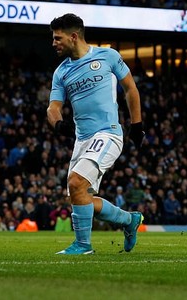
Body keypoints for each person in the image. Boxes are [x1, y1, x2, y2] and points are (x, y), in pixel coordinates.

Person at [47, 13, 145, 255]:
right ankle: (129, 220)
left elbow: (130, 88)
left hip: (108, 134)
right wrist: (59, 124)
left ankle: (83, 245)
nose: (54, 43)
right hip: (83, 140)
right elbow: (53, 107)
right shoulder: (61, 72)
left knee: (75, 182)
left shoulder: (108, 56)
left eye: (58, 38)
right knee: (81, 195)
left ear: (73, 36)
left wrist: (137, 124)